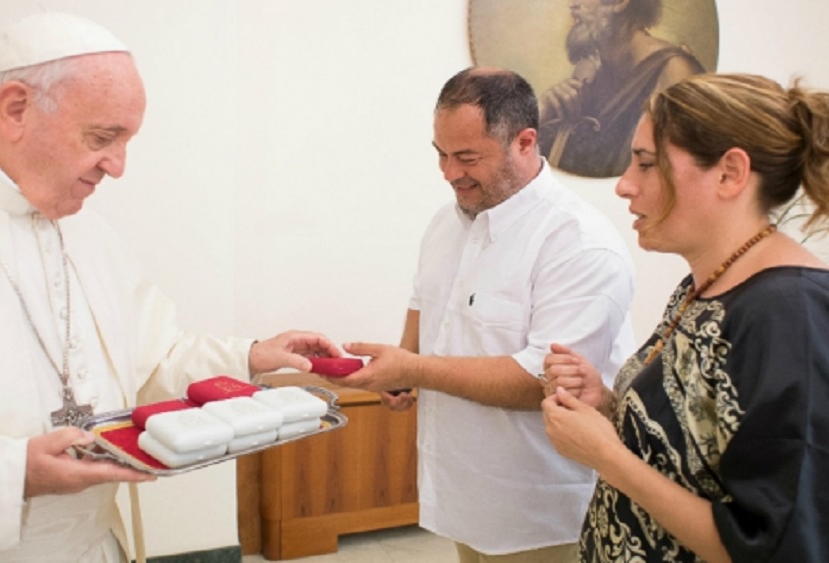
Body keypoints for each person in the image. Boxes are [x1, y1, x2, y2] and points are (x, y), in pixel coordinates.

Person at [0, 12, 340, 563]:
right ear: (16, 108)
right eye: (103, 137)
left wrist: (249, 356)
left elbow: (149, 362)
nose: (118, 167)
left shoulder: (82, 226)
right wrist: (14, 473)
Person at [331, 67, 636, 562]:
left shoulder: (578, 242)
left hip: (542, 513)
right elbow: (423, 307)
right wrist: (399, 369)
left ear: (524, 141)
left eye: (467, 157)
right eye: (441, 155)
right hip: (461, 497)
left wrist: (414, 368)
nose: (450, 173)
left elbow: (545, 382)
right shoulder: (445, 223)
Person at [541, 73, 829, 561]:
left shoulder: (788, 313)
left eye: (647, 164)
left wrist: (606, 456)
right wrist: (608, 406)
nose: (625, 186)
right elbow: (692, 445)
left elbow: (773, 544)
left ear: (729, 173)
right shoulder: (708, 282)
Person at [538, 0, 706, 178]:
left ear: (620, 3)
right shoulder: (589, 73)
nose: (572, 4)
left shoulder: (674, 73)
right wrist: (542, 111)